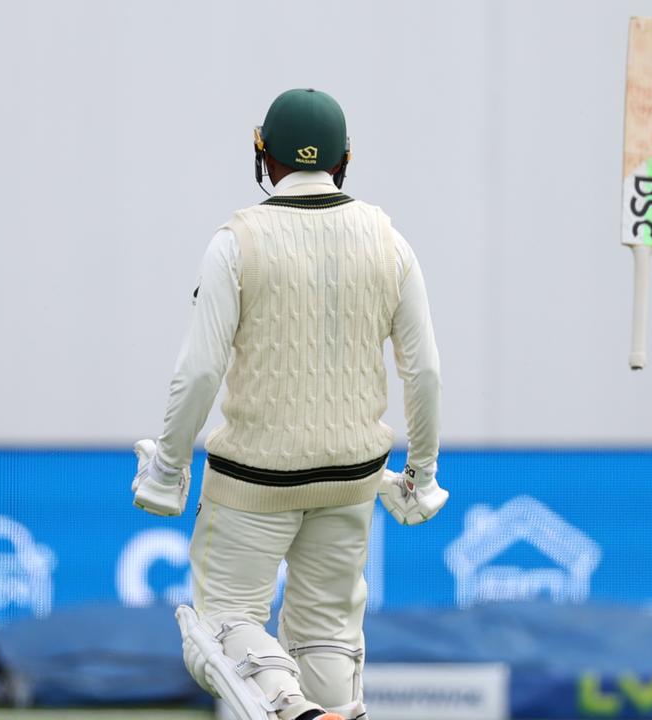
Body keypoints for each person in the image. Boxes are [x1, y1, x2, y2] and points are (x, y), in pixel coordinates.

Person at [131, 88, 447, 720]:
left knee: (219, 626)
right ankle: (323, 710)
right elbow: (426, 373)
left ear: (263, 156)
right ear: (345, 157)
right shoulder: (390, 242)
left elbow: (198, 372)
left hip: (255, 481)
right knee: (326, 635)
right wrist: (421, 475)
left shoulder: (236, 241)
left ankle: (290, 711)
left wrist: (168, 469)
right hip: (352, 479)